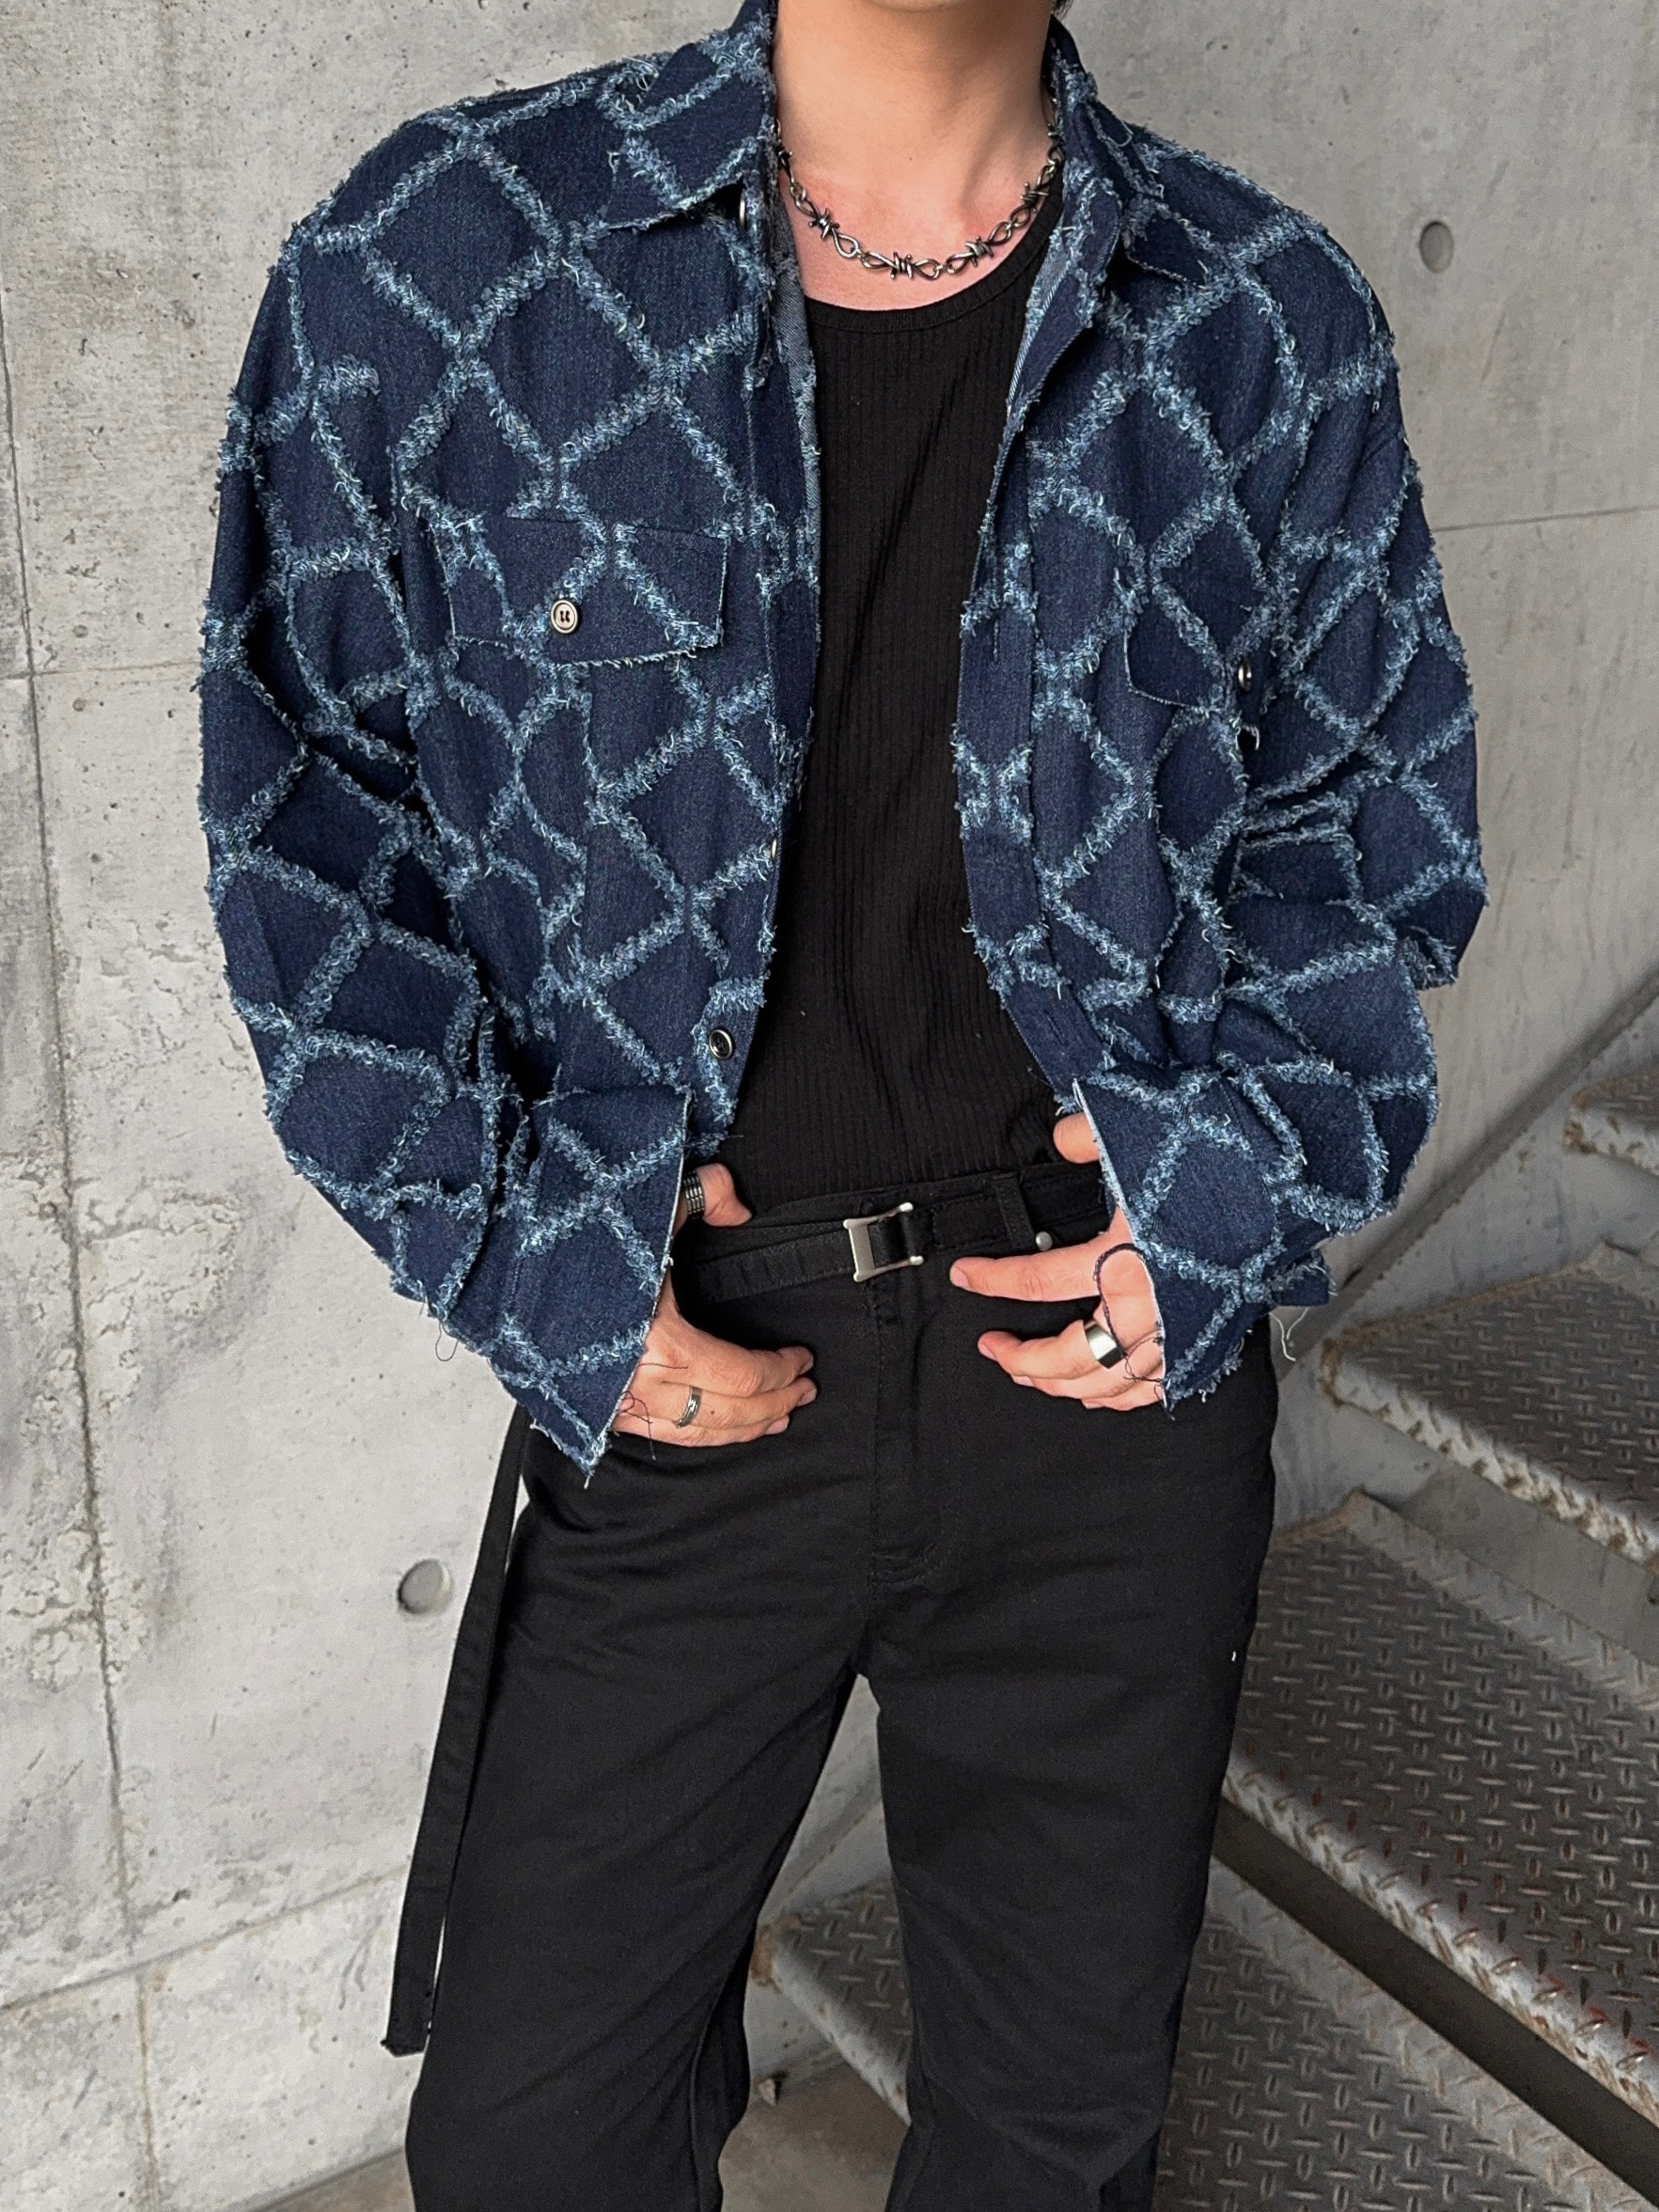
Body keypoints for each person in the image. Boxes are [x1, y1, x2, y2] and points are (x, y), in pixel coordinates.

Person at [196, 0, 1484, 2202]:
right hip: (691, 1355)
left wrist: (1227, 1198)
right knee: (530, 2139)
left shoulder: (1264, 317)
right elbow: (307, 820)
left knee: (1054, 2133)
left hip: (1102, 1385)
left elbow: (1365, 831)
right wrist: (536, 1263)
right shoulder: (448, 255)